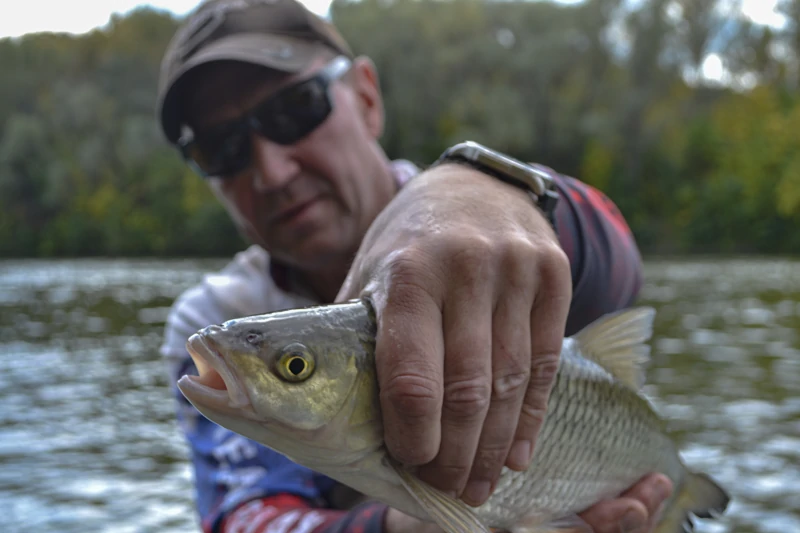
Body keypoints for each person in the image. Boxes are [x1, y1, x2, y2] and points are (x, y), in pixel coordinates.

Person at [155, 0, 673, 532]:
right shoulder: (218, 315)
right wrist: (405, 528)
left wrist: (490, 191)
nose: (272, 170)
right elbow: (243, 516)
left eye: (295, 110)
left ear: (366, 97)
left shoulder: (494, 208)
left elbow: (619, 269)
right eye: (221, 147)